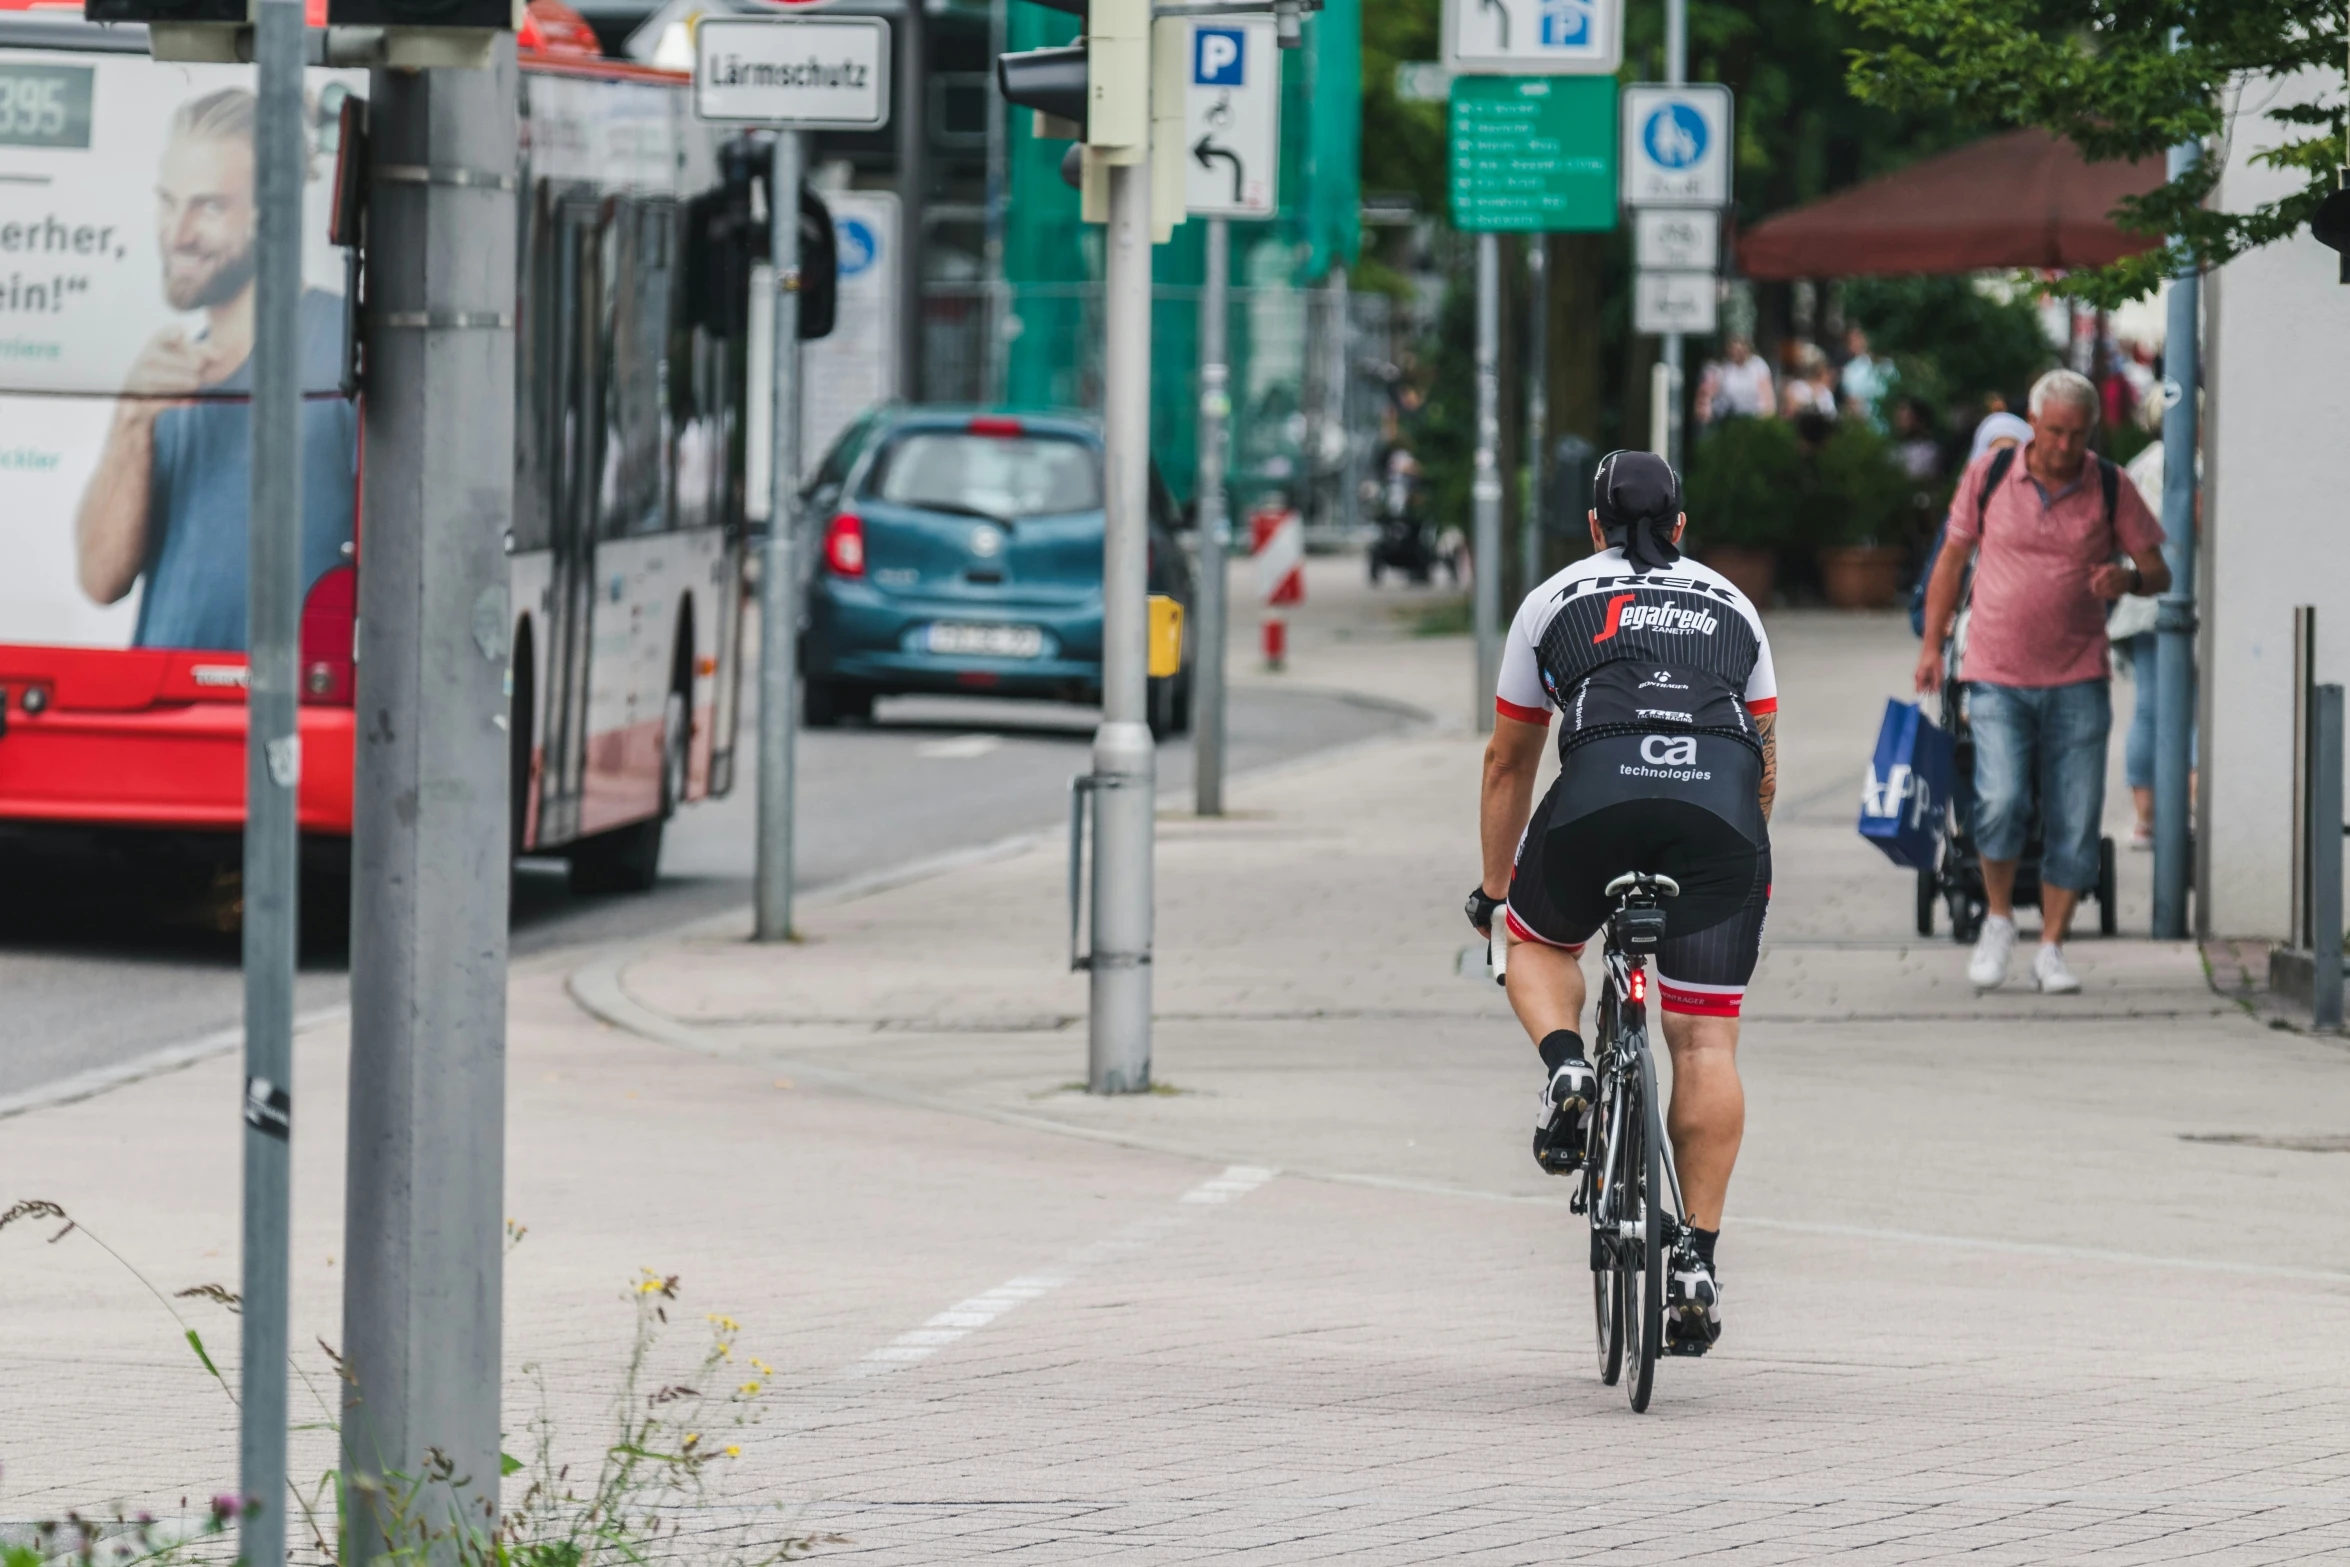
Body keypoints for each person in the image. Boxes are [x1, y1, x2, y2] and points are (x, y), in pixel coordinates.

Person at [1468, 450, 1778, 1355]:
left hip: (1597, 801)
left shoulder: (1552, 601)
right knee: (1706, 1037)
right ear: (1682, 527)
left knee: (1531, 941)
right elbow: (1763, 762)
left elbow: (1508, 762)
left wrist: (1495, 897)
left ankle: (1567, 1067)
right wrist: (1735, 861)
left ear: (1594, 527)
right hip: (1718, 817)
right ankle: (1696, 1259)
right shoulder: (1735, 605)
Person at [1913, 370, 2169, 994]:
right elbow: (1951, 559)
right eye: (2053, 431)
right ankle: (1999, 919)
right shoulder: (1992, 476)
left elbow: (2158, 570)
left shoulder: (2111, 485)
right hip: (1996, 673)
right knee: (1998, 802)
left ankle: (2052, 947)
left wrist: (2127, 580)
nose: (2062, 445)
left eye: (2076, 435)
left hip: (2079, 676)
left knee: (2075, 820)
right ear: (2034, 422)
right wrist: (1931, 644)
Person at [74, 88, 357, 652]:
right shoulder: (164, 376)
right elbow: (101, 579)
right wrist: (132, 419)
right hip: (164, 716)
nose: (177, 234)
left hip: (296, 721)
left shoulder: (344, 349)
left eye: (208, 206)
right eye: (167, 201)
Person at [1697, 335, 1773, 424]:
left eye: (1739, 350)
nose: (1735, 352)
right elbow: (1707, 394)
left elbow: (1767, 395)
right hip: (1725, 418)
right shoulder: (1720, 368)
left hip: (1754, 418)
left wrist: (1767, 417)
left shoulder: (1758, 366)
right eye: (1732, 348)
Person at [1839, 326, 1889, 424]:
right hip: (1866, 423)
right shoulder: (1850, 370)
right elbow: (1851, 401)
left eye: (1859, 338)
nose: (1856, 344)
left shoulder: (1887, 365)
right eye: (1851, 341)